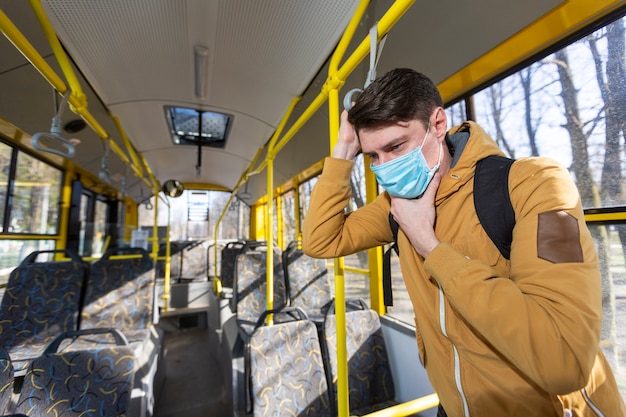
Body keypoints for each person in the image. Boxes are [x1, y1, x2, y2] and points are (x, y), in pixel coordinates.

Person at [302, 68, 626, 417]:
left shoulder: (538, 186)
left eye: (396, 146)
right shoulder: (396, 205)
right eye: (373, 157)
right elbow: (321, 239)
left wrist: (431, 247)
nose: (386, 167)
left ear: (438, 125)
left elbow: (563, 359)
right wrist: (344, 149)